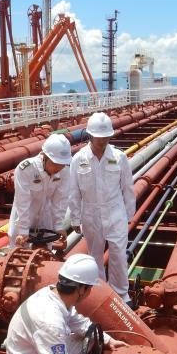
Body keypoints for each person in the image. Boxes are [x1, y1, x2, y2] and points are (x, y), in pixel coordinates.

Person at [70, 112, 135, 302]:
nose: (103, 141)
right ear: (90, 135)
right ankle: (99, 293)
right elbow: (74, 191)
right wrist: (75, 218)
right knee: (95, 256)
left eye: (106, 137)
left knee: (119, 255)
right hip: (90, 214)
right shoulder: (79, 159)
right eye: (99, 137)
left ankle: (121, 295)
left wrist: (129, 215)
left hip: (115, 212)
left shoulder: (119, 157)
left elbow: (127, 188)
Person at [8, 133, 71, 248]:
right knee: (19, 254)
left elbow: (60, 200)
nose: (58, 168)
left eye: (62, 164)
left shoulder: (65, 172)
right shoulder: (26, 169)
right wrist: (23, 229)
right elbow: (23, 200)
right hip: (23, 217)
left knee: (45, 253)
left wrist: (58, 225)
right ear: (44, 156)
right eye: (55, 163)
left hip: (46, 218)